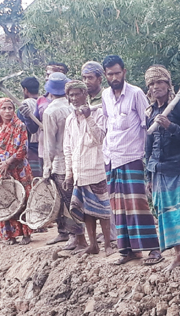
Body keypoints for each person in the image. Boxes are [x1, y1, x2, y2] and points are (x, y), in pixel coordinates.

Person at [101, 55, 163, 266]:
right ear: (105, 76)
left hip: (132, 156)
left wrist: (149, 157)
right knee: (118, 207)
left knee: (138, 204)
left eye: (118, 72)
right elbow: (107, 126)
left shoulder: (136, 93)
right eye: (110, 74)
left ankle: (154, 249)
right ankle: (128, 251)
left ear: (124, 72)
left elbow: (149, 127)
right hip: (111, 157)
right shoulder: (105, 96)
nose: (114, 77)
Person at [145, 64, 180, 278]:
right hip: (158, 170)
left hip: (177, 168)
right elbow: (148, 146)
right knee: (166, 214)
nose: (155, 86)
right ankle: (178, 255)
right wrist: (148, 175)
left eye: (160, 81)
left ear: (168, 84)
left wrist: (170, 126)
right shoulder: (150, 111)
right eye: (151, 83)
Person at [63, 80, 114, 256]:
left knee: (103, 209)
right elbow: (67, 148)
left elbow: (100, 138)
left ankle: (108, 244)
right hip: (79, 171)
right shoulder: (69, 120)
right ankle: (93, 245)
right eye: (71, 95)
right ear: (67, 98)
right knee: (87, 212)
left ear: (85, 95)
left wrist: (88, 117)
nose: (75, 98)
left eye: (78, 94)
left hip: (96, 168)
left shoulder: (97, 113)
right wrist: (69, 174)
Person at [42, 72, 85, 247]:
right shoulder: (74, 106)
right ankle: (66, 233)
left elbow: (49, 143)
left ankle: (74, 236)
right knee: (74, 198)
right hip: (78, 157)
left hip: (60, 161)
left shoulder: (50, 111)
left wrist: (47, 166)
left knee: (66, 200)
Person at [0, 98, 33, 245]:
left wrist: (8, 162)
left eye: (10, 108)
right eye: (4, 108)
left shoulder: (20, 126)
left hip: (18, 168)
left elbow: (23, 148)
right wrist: (0, 163)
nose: (8, 111)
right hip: (2, 170)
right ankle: (9, 234)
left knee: (22, 199)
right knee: (6, 200)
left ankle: (26, 234)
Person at [17, 76, 43, 178]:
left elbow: (22, 129)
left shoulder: (24, 105)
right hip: (44, 144)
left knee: (33, 177)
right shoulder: (43, 102)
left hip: (31, 147)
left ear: (25, 90)